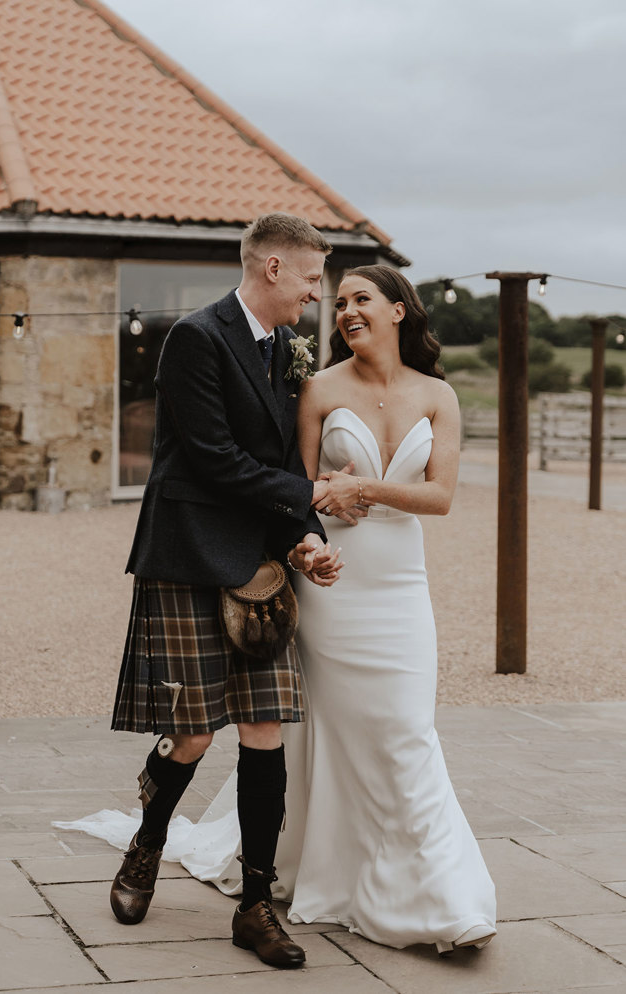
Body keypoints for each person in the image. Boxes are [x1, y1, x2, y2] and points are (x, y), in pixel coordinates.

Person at [155, 264, 496, 953]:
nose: (345, 311)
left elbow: (441, 497)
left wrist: (361, 487)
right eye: (338, 302)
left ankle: (440, 895)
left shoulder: (439, 394)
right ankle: (324, 862)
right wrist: (310, 539)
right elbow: (295, 490)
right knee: (322, 731)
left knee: (407, 728)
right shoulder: (316, 388)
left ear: (400, 311)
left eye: (361, 299)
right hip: (331, 581)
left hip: (400, 585)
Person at [108, 212, 345, 971]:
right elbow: (212, 460)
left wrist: (305, 535)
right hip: (189, 554)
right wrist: (313, 491)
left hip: (260, 564)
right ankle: (146, 846)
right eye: (311, 279)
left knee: (266, 729)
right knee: (197, 734)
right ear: (273, 267)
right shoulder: (197, 337)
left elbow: (276, 458)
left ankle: (254, 905)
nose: (316, 295)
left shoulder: (285, 350)